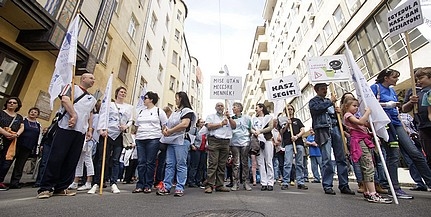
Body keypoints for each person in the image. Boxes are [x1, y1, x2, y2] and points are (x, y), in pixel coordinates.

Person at [371, 68, 431, 199]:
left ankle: (429, 182)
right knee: (393, 155)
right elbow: (369, 104)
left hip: (397, 122)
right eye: (394, 77)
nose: (397, 79)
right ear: (386, 78)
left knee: (415, 153)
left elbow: (400, 109)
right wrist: (387, 105)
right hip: (384, 123)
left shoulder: (392, 90)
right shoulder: (375, 88)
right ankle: (395, 188)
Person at [37, 73, 97, 199]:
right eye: (91, 78)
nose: (93, 80)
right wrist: (73, 115)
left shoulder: (92, 99)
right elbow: (65, 99)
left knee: (71, 160)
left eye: (94, 79)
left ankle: (61, 187)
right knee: (56, 157)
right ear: (83, 79)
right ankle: (46, 187)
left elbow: (90, 114)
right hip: (66, 128)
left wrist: (90, 129)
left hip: (80, 132)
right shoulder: (71, 87)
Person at [342, 98, 392, 203]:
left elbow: (365, 124)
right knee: (368, 166)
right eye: (354, 106)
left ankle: (369, 191)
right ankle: (372, 193)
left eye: (357, 106)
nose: (356, 108)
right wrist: (367, 113)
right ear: (347, 106)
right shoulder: (348, 115)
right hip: (359, 141)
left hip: (364, 140)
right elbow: (360, 122)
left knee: (368, 165)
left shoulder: (356, 116)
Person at [308, 83, 355, 195]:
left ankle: (344, 185)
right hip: (324, 130)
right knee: (327, 159)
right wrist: (330, 102)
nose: (325, 91)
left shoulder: (331, 102)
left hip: (335, 129)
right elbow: (316, 109)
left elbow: (336, 117)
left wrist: (338, 112)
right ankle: (327, 185)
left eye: (326, 89)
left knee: (341, 158)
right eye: (322, 89)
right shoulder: (314, 101)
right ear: (316, 90)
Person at [89, 87, 133, 194]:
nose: (123, 93)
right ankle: (97, 182)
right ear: (116, 93)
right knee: (102, 159)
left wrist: (126, 126)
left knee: (115, 160)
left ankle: (113, 183)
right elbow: (101, 117)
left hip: (118, 136)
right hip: (106, 134)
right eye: (121, 92)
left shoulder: (129, 107)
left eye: (124, 92)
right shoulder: (109, 105)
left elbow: (131, 120)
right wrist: (101, 131)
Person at [157, 91, 196, 197]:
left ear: (181, 99)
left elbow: (184, 124)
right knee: (169, 164)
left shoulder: (187, 111)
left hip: (181, 140)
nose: (175, 100)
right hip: (171, 140)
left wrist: (170, 131)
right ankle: (167, 186)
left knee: (181, 164)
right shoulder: (175, 112)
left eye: (176, 98)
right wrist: (165, 130)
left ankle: (179, 187)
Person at [133, 91, 167, 193]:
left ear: (151, 100)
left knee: (150, 162)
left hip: (153, 138)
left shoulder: (159, 111)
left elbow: (164, 125)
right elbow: (137, 125)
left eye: (146, 98)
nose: (144, 99)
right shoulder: (141, 112)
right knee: (141, 162)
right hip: (141, 139)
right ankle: (140, 184)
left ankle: (148, 184)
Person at [203, 102, 236, 193]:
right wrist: (221, 124)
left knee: (222, 164)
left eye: (222, 106)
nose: (220, 107)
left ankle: (220, 185)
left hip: (225, 142)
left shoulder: (228, 117)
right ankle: (209, 185)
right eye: (218, 105)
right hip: (214, 140)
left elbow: (234, 126)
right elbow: (209, 126)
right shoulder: (211, 116)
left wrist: (229, 118)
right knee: (213, 163)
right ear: (215, 107)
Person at [68, 101, 101, 191]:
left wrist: (89, 134)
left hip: (89, 138)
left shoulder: (95, 116)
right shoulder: (86, 113)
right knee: (79, 159)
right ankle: (76, 181)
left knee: (87, 159)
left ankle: (89, 181)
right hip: (82, 135)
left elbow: (93, 126)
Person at [403, 67, 431, 171]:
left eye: (420, 78)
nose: (418, 81)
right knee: (429, 155)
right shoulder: (413, 91)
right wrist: (411, 102)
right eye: (416, 78)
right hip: (423, 126)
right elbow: (404, 109)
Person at [8, 107, 41, 189]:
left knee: (20, 165)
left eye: (35, 112)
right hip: (17, 145)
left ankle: (15, 183)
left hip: (28, 147)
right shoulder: (22, 121)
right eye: (31, 111)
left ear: (37, 115)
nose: (33, 113)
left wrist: (36, 147)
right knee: (8, 162)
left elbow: (38, 137)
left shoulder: (38, 125)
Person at [278, 105, 307, 190]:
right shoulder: (283, 121)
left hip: (298, 142)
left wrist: (297, 136)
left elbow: (303, 130)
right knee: (287, 163)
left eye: (291, 109)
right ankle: (285, 181)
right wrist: (287, 124)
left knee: (299, 163)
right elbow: (281, 132)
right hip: (288, 143)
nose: (290, 110)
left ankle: (300, 182)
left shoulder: (297, 120)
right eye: (288, 109)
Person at [0, 97, 24, 190]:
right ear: (6, 104)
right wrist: (6, 133)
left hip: (11, 142)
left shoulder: (19, 117)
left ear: (17, 105)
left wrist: (16, 135)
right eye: (9, 102)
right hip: (2, 138)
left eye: (14, 103)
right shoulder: (1, 113)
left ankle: (0, 181)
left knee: (6, 162)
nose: (11, 104)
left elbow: (22, 127)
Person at [229, 102, 252, 191]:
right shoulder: (231, 119)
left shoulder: (247, 118)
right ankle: (235, 183)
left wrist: (247, 138)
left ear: (239, 108)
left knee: (245, 162)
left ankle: (246, 182)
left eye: (234, 107)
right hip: (234, 143)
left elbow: (250, 129)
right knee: (236, 163)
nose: (233, 109)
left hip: (245, 142)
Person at [251, 103, 274, 191]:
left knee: (268, 161)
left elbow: (270, 127)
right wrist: (255, 132)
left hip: (267, 140)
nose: (255, 109)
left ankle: (270, 182)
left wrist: (260, 131)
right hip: (258, 141)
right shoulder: (253, 119)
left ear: (261, 108)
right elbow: (251, 128)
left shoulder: (269, 117)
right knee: (260, 162)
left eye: (256, 108)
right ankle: (263, 182)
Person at [154, 106, 173, 189]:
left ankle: (157, 180)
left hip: (161, 141)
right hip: (164, 142)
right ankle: (159, 181)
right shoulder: (167, 122)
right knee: (162, 163)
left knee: (159, 163)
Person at [187, 118, 205, 188]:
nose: (202, 124)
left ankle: (198, 181)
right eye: (201, 122)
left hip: (203, 150)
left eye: (203, 122)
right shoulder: (195, 130)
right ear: (198, 123)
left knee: (201, 166)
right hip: (196, 149)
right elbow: (190, 137)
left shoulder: (205, 131)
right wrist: (192, 145)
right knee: (194, 166)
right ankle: (191, 181)